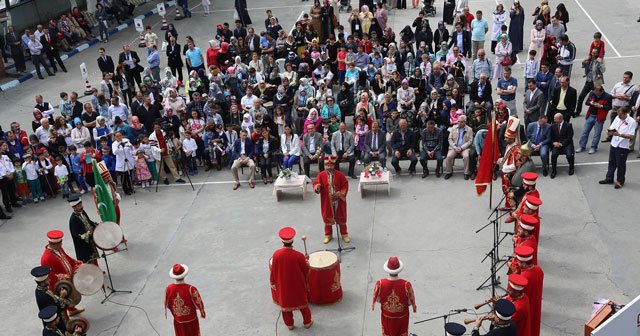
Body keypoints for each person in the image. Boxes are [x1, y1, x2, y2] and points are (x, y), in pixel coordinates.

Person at [270, 227, 314, 330]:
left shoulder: (276, 254)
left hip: (283, 286)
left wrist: (272, 281)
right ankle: (307, 322)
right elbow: (307, 270)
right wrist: (306, 260)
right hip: (297, 285)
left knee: (286, 307)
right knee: (303, 304)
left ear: (282, 241)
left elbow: (273, 270)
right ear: (293, 240)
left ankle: (290, 325)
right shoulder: (299, 256)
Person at [40, 230, 84, 316]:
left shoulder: (59, 249)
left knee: (71, 295)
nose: (61, 245)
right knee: (63, 301)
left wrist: (75, 262)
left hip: (68, 278)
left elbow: (66, 257)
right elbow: (50, 275)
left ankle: (72, 309)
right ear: (54, 244)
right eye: (60, 243)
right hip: (59, 284)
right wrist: (63, 278)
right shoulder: (46, 258)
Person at [372, 256, 417, 336]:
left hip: (387, 316)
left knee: (387, 332)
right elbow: (409, 302)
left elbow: (378, 300)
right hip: (402, 317)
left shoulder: (380, 283)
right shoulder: (406, 285)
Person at [313, 155, 350, 244]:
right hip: (327, 201)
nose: (329, 167)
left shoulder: (340, 175)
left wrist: (340, 193)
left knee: (341, 217)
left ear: (334, 165)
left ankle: (344, 234)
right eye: (327, 166)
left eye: (331, 165)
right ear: (325, 165)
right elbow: (315, 184)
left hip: (339, 200)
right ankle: (328, 234)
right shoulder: (321, 175)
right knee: (327, 217)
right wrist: (317, 187)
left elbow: (345, 185)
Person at [599, 107, 637, 189]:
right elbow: (612, 127)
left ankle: (620, 181)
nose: (619, 117)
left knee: (621, 165)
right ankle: (609, 178)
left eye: (620, 115)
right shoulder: (617, 117)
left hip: (622, 146)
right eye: (618, 115)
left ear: (625, 113)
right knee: (611, 162)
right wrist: (609, 132)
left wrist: (619, 134)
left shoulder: (632, 122)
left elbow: (631, 135)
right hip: (614, 143)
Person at [164, 264, 206, 336]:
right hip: (191, 320)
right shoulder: (191, 289)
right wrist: (202, 312)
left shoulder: (168, 288)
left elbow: (167, 305)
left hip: (178, 321)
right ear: (184, 275)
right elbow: (198, 304)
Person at [32, 266, 69, 333]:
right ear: (42, 282)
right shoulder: (42, 297)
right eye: (47, 279)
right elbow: (56, 310)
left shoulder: (42, 289)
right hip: (56, 324)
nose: (50, 280)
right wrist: (62, 297)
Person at [577, 86, 612, 154]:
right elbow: (586, 102)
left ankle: (593, 147)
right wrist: (591, 103)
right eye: (594, 92)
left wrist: (601, 106)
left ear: (601, 91)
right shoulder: (592, 93)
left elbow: (609, 107)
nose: (595, 93)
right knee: (585, 132)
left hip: (599, 118)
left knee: (597, 134)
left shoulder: (608, 96)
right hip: (591, 116)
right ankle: (582, 146)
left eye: (597, 92)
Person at [67, 195, 99, 263]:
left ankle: (97, 270)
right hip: (83, 246)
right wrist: (89, 232)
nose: (81, 206)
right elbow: (77, 236)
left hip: (89, 242)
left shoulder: (83, 212)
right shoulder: (73, 220)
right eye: (79, 206)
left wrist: (95, 224)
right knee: (88, 261)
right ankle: (92, 273)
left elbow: (88, 221)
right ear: (74, 207)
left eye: (81, 204)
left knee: (94, 258)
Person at [498, 117, 520, 209]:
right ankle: (508, 205)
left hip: (510, 174)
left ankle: (512, 206)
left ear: (512, 139)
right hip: (505, 171)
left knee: (509, 190)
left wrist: (504, 168)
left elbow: (515, 165)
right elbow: (507, 156)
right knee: (505, 189)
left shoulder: (516, 149)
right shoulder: (509, 145)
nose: (505, 139)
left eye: (507, 138)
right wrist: (501, 160)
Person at [445, 116, 474, 180]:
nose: (459, 123)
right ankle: (449, 172)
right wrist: (455, 147)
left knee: (466, 156)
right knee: (449, 156)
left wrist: (461, 148)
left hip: (464, 148)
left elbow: (470, 141)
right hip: (454, 147)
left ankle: (466, 173)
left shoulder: (469, 129)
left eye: (461, 122)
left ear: (464, 122)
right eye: (458, 121)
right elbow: (450, 139)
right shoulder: (453, 128)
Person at [550, 112, 575, 178]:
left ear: (560, 119)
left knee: (569, 155)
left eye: (555, 119)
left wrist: (561, 144)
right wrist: (553, 143)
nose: (554, 120)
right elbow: (551, 136)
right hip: (557, 144)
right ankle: (554, 171)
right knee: (554, 155)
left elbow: (569, 137)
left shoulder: (568, 125)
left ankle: (571, 168)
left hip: (566, 144)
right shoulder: (553, 125)